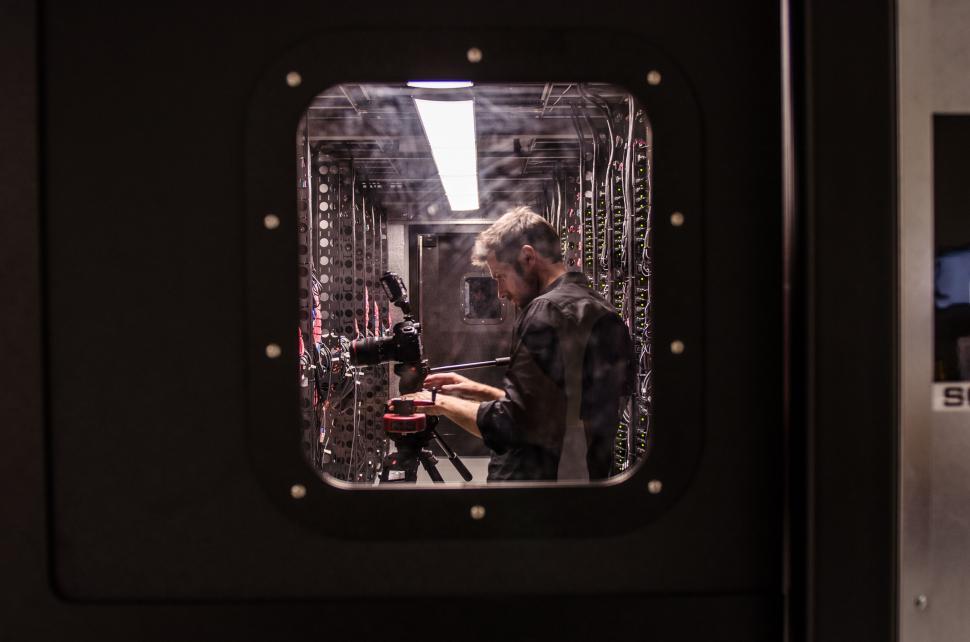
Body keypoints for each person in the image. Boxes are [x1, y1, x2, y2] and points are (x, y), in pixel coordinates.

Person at [407, 206, 633, 482]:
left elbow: (511, 425)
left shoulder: (546, 311)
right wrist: (476, 389)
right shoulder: (598, 308)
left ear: (528, 257)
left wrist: (438, 403)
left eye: (500, 277)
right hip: (581, 488)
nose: (500, 293)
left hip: (534, 494)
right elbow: (552, 413)